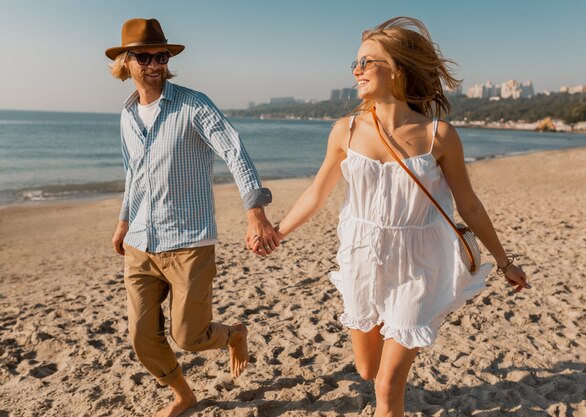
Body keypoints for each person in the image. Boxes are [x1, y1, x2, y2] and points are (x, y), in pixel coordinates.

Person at [263, 17, 529, 416]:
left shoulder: (439, 136)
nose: (356, 71)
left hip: (418, 263)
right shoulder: (345, 130)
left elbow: (469, 205)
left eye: (367, 62)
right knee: (367, 369)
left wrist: (505, 262)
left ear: (398, 70)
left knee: (387, 388)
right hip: (361, 258)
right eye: (354, 63)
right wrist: (277, 232)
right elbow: (317, 193)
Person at [106, 18, 279, 417]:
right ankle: (183, 394)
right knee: (141, 337)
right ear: (125, 63)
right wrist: (122, 222)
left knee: (189, 336)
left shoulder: (193, 105)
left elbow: (234, 151)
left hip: (189, 243)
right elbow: (133, 174)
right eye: (144, 57)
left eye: (161, 55)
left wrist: (256, 213)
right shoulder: (127, 116)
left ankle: (234, 334)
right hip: (140, 243)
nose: (154, 64)